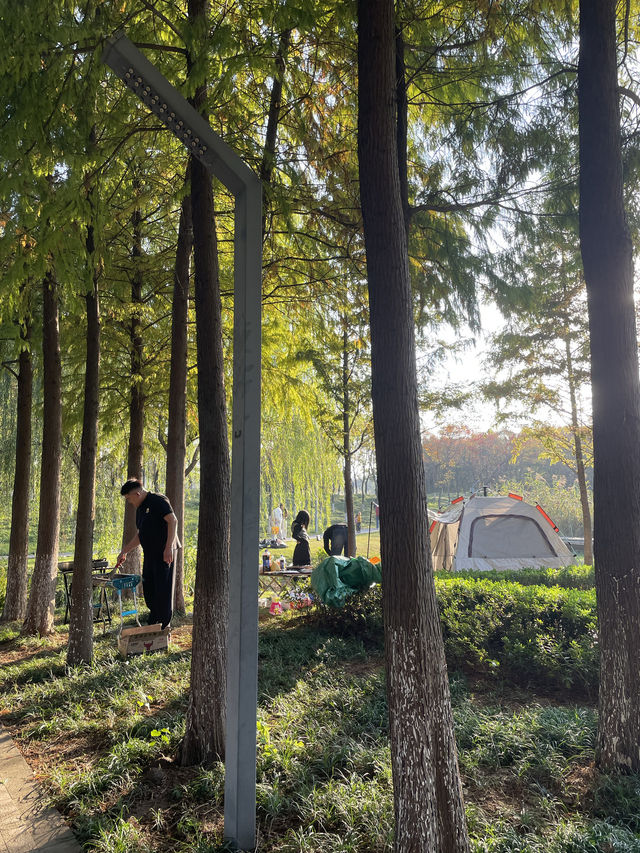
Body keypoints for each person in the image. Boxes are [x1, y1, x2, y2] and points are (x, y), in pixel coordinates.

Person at [117, 479, 178, 630]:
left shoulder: (158, 501)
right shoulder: (140, 509)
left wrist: (168, 547)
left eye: (129, 499)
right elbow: (141, 535)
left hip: (165, 553)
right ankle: (154, 620)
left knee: (163, 589)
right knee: (149, 588)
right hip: (150, 554)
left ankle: (163, 626)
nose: (129, 502)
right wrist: (124, 550)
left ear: (137, 494)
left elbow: (173, 521)